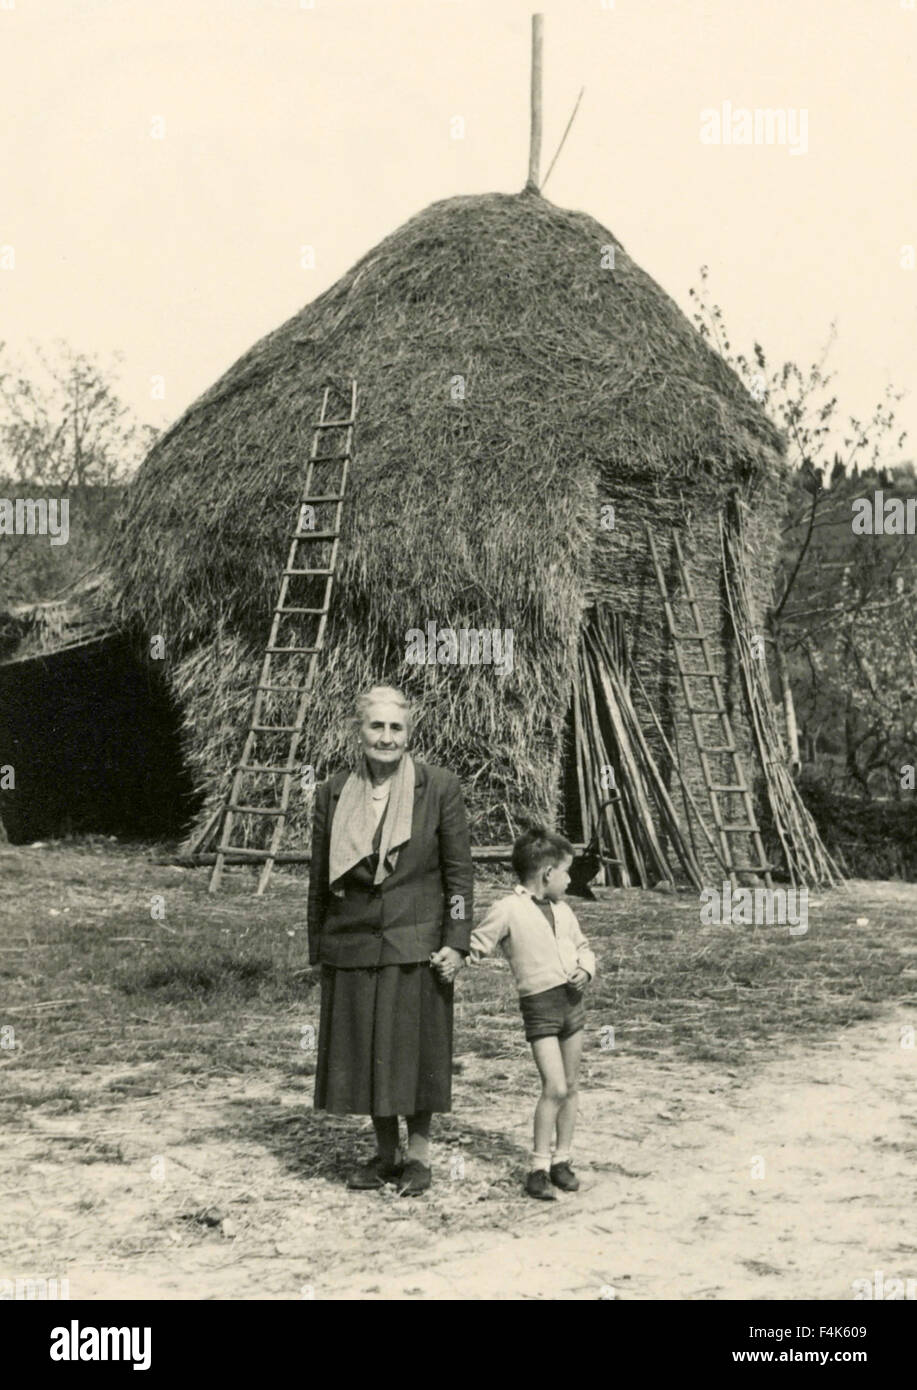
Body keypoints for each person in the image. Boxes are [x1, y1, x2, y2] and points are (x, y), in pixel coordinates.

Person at [307, 685, 472, 1195]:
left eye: (395, 727)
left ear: (409, 734)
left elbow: (459, 875)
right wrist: (320, 948)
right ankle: (384, 1154)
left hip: (415, 941)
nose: (386, 737)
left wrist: (457, 940)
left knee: (416, 1049)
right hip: (353, 940)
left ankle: (419, 1156)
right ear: (358, 732)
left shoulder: (438, 787)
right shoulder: (333, 791)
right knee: (367, 1049)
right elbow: (318, 878)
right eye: (376, 726)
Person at [467, 826, 596, 1200]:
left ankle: (562, 1161)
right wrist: (451, 957)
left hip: (572, 1006)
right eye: (567, 872)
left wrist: (585, 969)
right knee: (553, 1087)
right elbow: (478, 943)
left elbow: (584, 947)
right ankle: (538, 1166)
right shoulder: (508, 909)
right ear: (547, 874)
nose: (570, 880)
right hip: (540, 1007)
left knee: (571, 1087)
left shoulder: (564, 911)